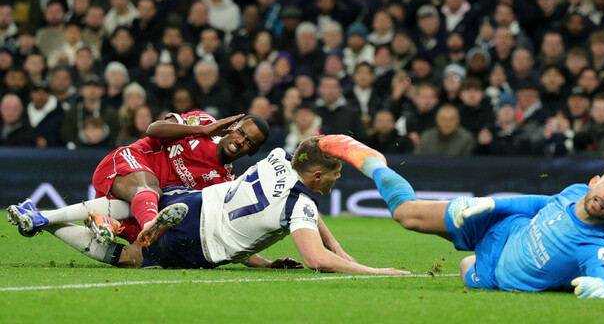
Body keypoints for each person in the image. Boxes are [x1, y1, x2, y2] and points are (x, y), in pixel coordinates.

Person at [11, 137, 407, 275]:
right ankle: (49, 224)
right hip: (197, 243)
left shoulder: (278, 157)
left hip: (196, 201)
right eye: (336, 173)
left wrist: (338, 246)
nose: (339, 178)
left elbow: (310, 158)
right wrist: (373, 270)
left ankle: (44, 215)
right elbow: (315, 259)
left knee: (133, 206)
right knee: (129, 256)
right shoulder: (299, 205)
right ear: (317, 177)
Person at [318, 135, 604, 298]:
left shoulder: (596, 246)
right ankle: (373, 161)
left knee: (466, 266)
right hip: (501, 225)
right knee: (407, 214)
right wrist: (489, 204)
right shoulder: (575, 192)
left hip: (491, 273)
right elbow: (537, 204)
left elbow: (603, 272)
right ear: (594, 182)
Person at [9, 112, 269, 247]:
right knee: (150, 189)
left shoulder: (225, 182)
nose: (240, 141)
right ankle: (150, 228)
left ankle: (40, 218)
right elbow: (153, 129)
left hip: (142, 205)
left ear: (253, 152)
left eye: (249, 142)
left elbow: (225, 232)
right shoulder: (203, 122)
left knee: (138, 252)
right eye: (240, 132)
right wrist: (202, 129)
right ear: (233, 127)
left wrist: (265, 263)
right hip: (132, 161)